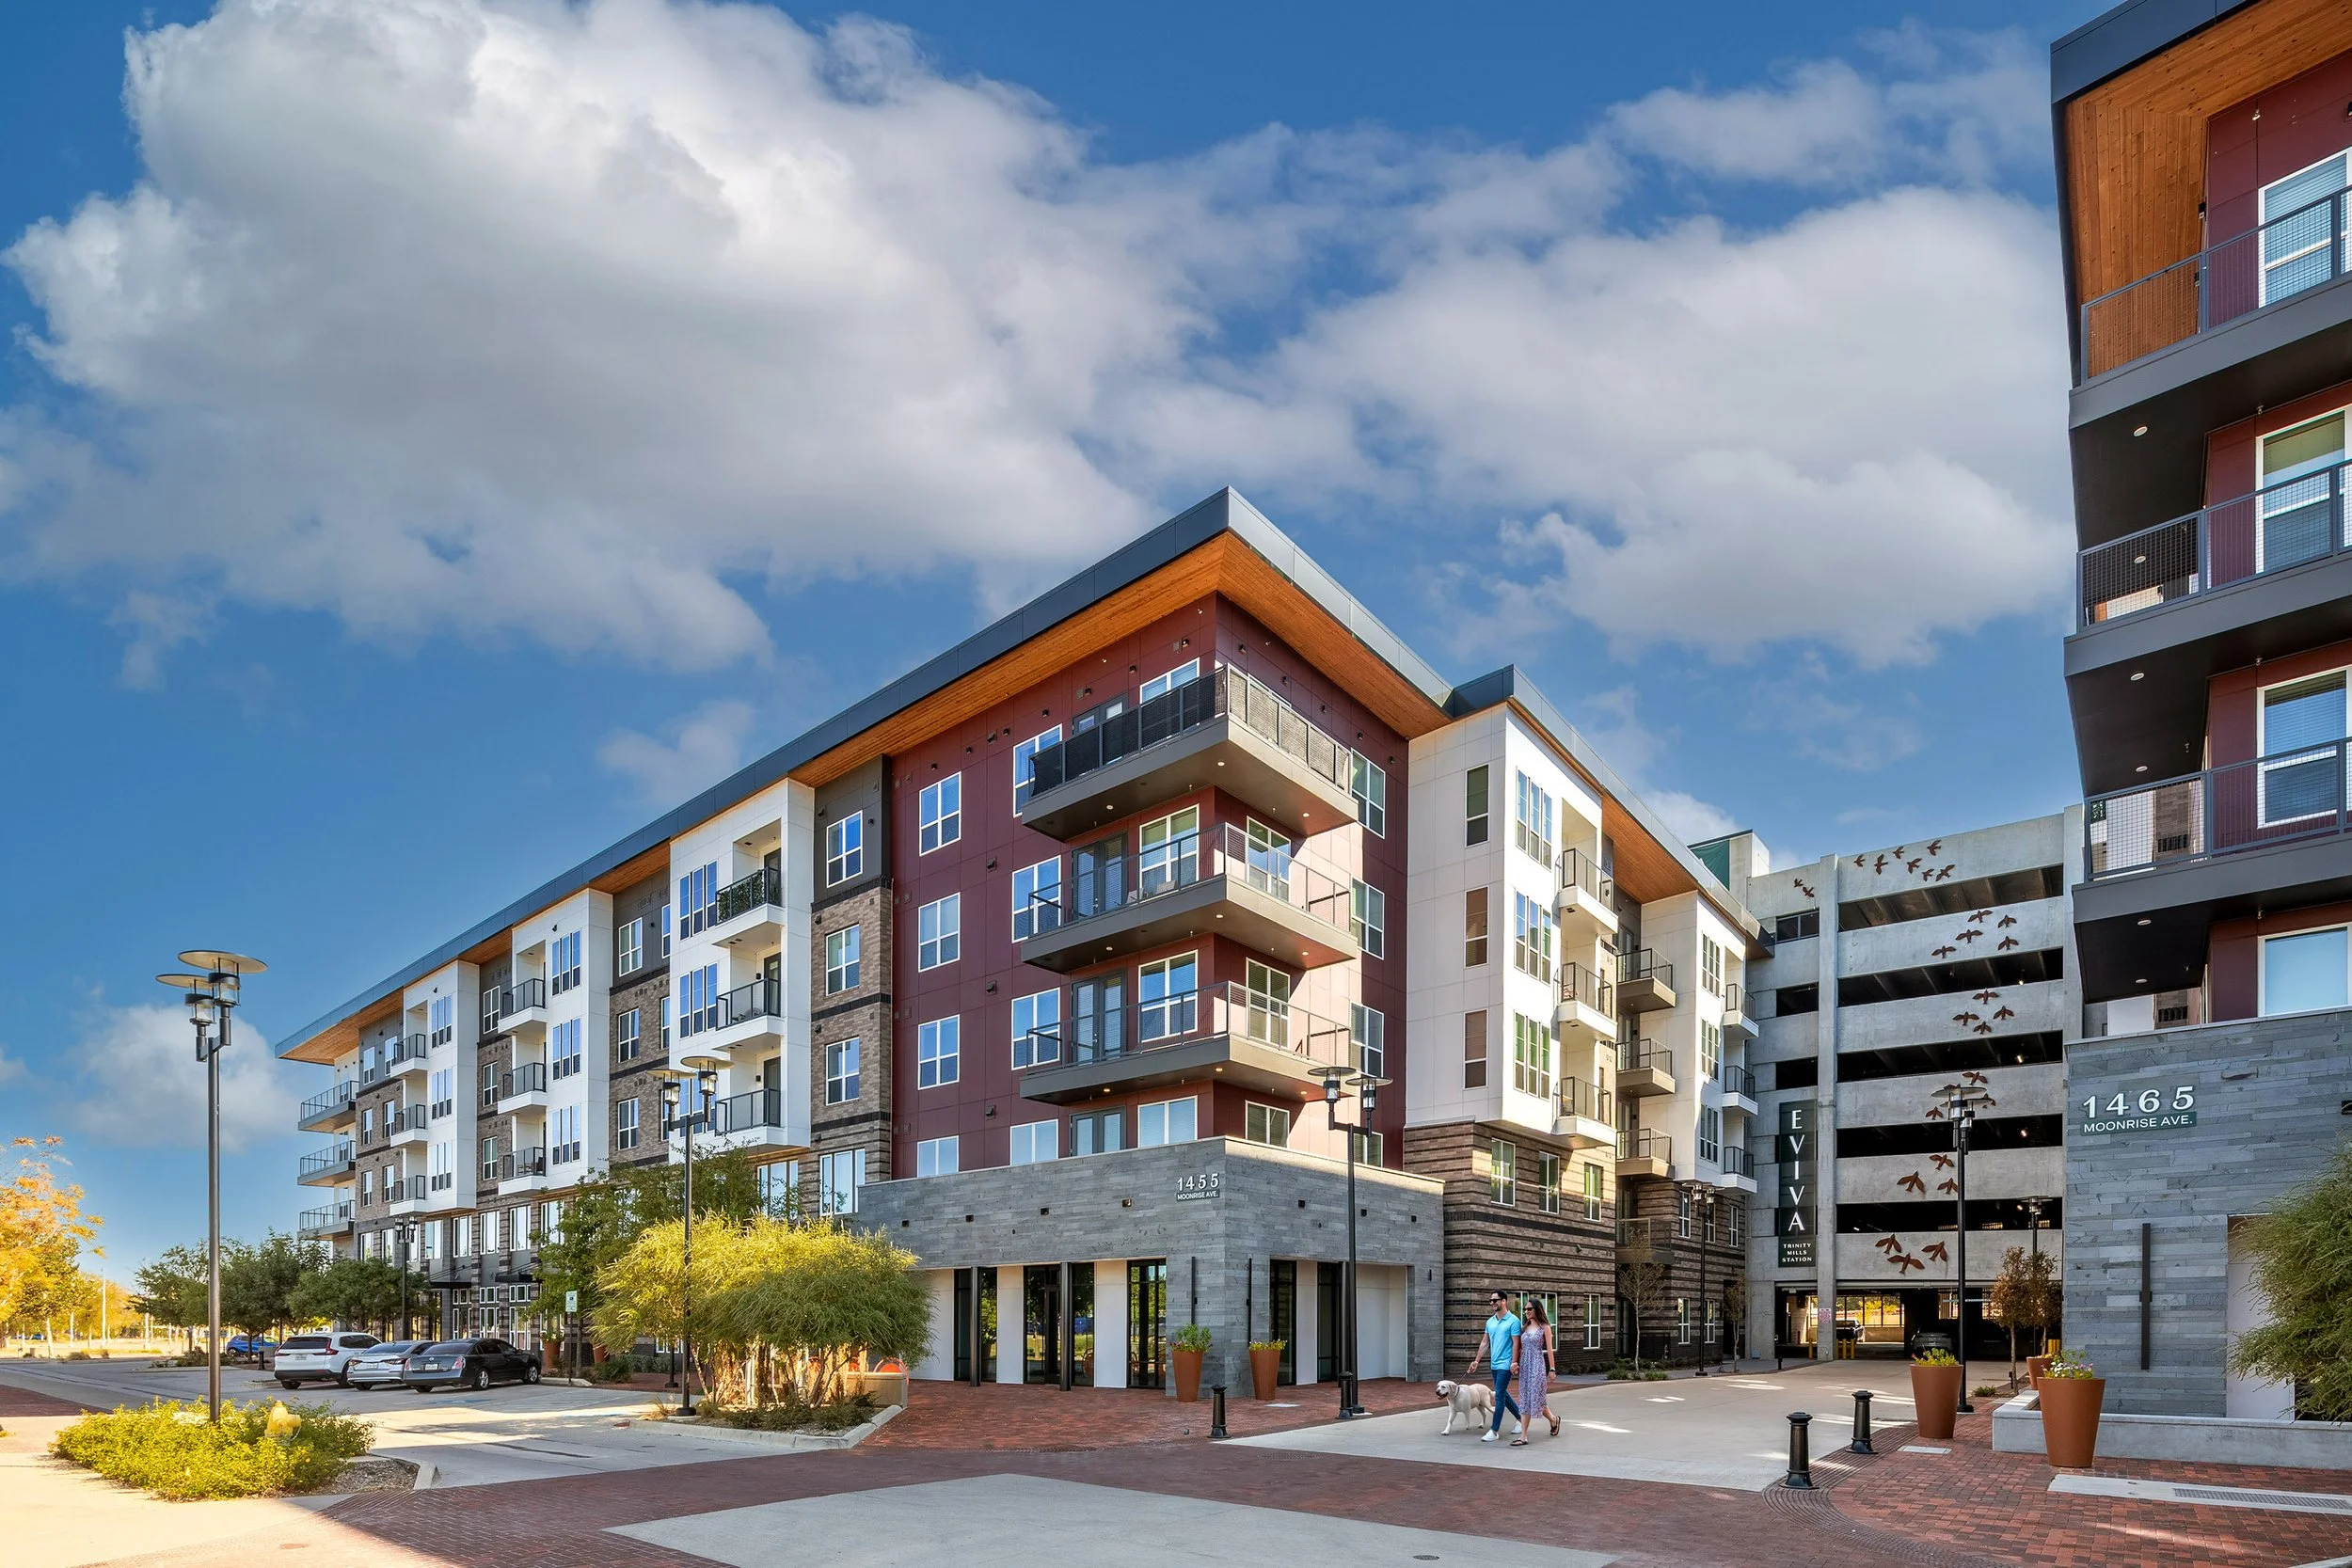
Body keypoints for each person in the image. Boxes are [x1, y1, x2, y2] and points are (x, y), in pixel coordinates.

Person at [1469, 1290, 1523, 1443]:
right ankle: (1520, 1417)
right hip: (1494, 1364)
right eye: (1491, 1301)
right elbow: (1485, 1342)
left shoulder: (1513, 1321)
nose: (1492, 1303)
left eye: (1495, 1300)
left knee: (1499, 1395)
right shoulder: (1490, 1321)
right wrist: (1476, 1361)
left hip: (1506, 1365)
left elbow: (1516, 1344)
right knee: (1502, 1393)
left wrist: (1514, 1362)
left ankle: (1494, 1430)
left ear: (1504, 1301)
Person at [1514, 1299, 1559, 1445]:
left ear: (1537, 1309)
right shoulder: (1524, 1328)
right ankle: (1524, 1436)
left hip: (1537, 1365)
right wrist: (1514, 1363)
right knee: (1526, 1399)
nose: (1526, 1312)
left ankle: (1553, 1419)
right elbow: (1519, 1348)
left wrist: (1552, 1369)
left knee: (1537, 1398)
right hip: (1525, 1366)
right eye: (1525, 1309)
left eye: (1529, 1309)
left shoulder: (1545, 1327)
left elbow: (1550, 1350)